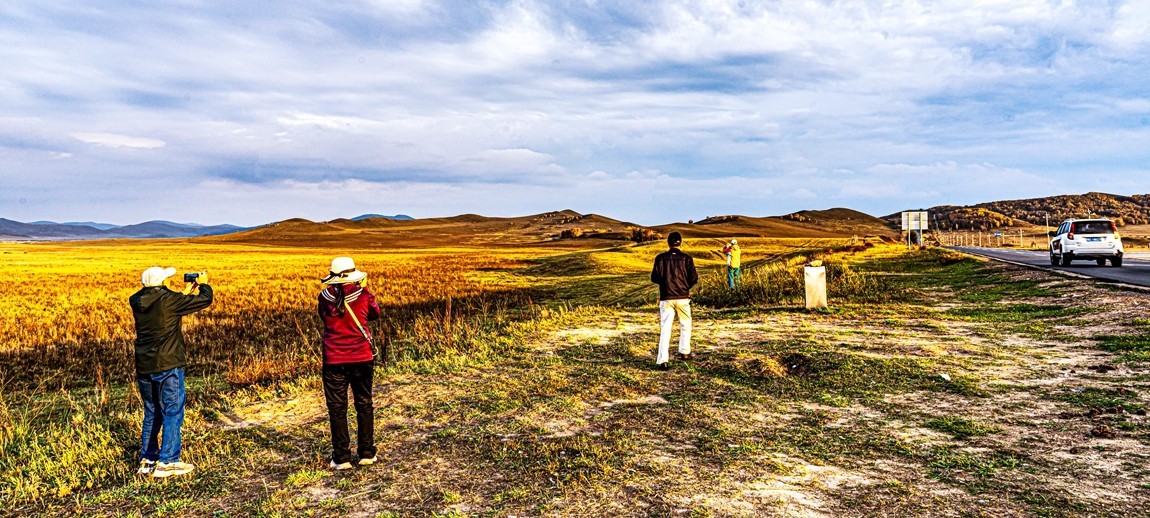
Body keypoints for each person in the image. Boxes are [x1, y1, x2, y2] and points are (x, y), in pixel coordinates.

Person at [129, 267, 213, 478]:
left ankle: (148, 459)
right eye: (166, 279)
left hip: (145, 365)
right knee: (172, 411)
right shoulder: (169, 300)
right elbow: (205, 300)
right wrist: (203, 284)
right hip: (167, 365)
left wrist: (185, 291)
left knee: (152, 412)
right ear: (161, 283)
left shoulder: (138, 301)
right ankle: (168, 461)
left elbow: (165, 304)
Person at [318, 256, 381, 470]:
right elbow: (375, 314)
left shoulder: (324, 297)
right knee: (364, 403)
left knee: (337, 408)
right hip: (362, 357)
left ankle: (341, 457)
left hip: (333, 359)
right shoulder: (363, 295)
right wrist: (364, 289)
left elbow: (326, 319)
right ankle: (366, 452)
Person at [650, 231, 699, 370]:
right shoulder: (687, 258)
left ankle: (663, 360)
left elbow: (654, 277)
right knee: (685, 324)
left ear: (668, 243)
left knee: (665, 328)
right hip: (683, 297)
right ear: (680, 242)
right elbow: (694, 278)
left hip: (666, 297)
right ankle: (685, 352)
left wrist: (665, 283)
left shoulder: (660, 258)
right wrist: (685, 287)